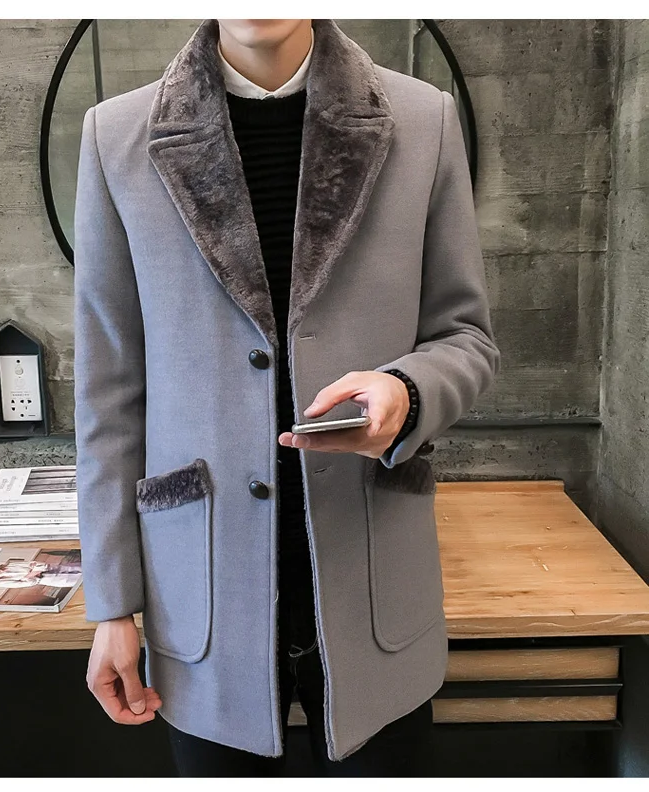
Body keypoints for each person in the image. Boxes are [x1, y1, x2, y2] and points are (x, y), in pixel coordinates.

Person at [73, 18, 500, 777]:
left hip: (373, 577)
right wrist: (111, 604)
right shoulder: (117, 137)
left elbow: (465, 337)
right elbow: (109, 393)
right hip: (205, 601)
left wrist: (407, 391)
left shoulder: (423, 120)